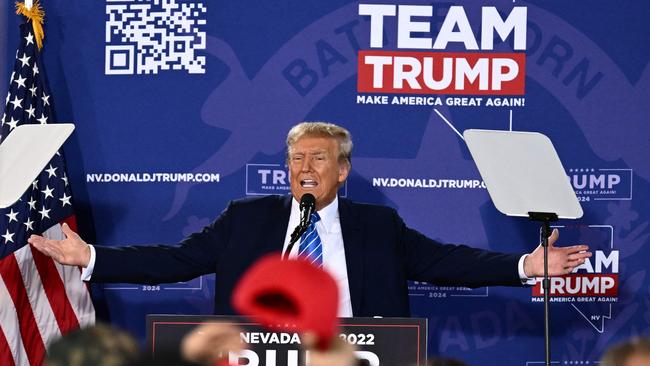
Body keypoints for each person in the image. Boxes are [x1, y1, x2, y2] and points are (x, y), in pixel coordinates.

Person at [29, 122, 591, 317]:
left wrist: (525, 264)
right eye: (296, 158)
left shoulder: (377, 226)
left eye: (318, 158)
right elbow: (177, 260)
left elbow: (445, 261)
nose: (304, 168)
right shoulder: (246, 220)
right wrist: (92, 257)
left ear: (342, 171)